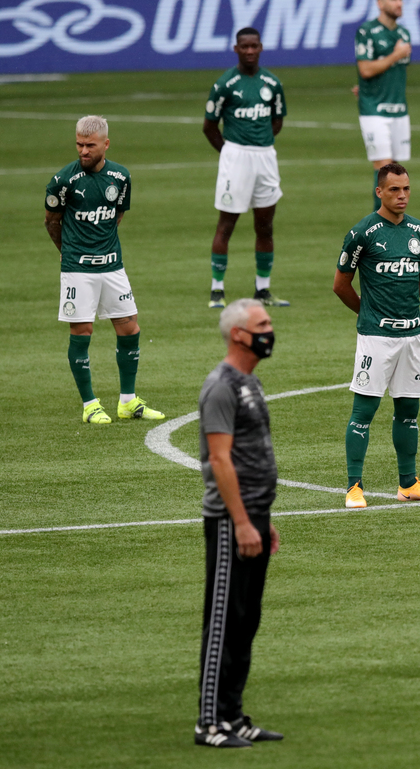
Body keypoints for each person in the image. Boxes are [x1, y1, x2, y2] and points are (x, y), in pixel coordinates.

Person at [195, 298, 284, 748]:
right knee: (224, 622)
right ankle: (209, 723)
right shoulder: (221, 387)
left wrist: (262, 521)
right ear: (238, 334)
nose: (270, 330)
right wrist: (243, 522)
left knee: (246, 619)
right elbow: (220, 460)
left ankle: (233, 715)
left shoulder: (250, 382)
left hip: (253, 517)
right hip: (232, 522)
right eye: (262, 324)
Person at [334, 163, 420, 507]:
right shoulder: (362, 233)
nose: (402, 195)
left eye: (406, 189)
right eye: (394, 189)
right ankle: (354, 487)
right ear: (379, 192)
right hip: (376, 338)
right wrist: (368, 313)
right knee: (364, 411)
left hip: (413, 335)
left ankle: (408, 484)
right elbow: (340, 285)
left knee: (409, 410)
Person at [44, 115, 165, 424]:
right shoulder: (63, 181)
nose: (83, 151)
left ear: (106, 144)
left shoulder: (120, 177)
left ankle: (127, 401)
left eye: (90, 146)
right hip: (78, 269)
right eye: (79, 145)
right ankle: (90, 405)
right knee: (81, 332)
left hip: (113, 266)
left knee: (130, 328)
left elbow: (116, 216)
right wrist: (68, 252)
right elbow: (51, 221)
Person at [203, 27, 289, 310]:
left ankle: (262, 290)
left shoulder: (272, 83)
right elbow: (209, 126)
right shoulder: (225, 84)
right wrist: (230, 152)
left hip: (265, 157)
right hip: (236, 158)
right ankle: (217, 290)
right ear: (236, 49)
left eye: (254, 46)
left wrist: (259, 143)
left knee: (265, 225)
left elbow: (277, 120)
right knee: (226, 224)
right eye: (245, 47)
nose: (250, 51)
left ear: (261, 47)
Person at [354, 0, 413, 213]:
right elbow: (366, 69)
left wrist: (366, 87)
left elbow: (389, 73)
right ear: (380, 3)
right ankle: (377, 223)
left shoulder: (403, 33)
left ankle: (392, 221)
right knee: (384, 170)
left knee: (396, 173)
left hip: (399, 109)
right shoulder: (367, 31)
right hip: (374, 110)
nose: (399, 3)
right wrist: (396, 54)